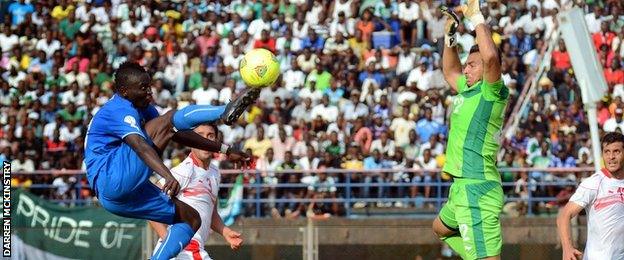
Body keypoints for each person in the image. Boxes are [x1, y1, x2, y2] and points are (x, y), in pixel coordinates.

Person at [84, 62, 258, 260]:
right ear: (124, 91)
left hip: (119, 197)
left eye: (149, 86)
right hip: (111, 178)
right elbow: (141, 145)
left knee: (191, 219)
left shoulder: (143, 108)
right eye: (143, 88)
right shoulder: (117, 110)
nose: (149, 92)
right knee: (168, 119)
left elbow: (174, 132)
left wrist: (224, 149)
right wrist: (167, 176)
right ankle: (224, 110)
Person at [432, 2, 508, 260]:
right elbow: (450, 70)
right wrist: (450, 35)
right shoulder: (468, 88)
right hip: (461, 187)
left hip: (476, 187)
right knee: (440, 228)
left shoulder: (491, 92)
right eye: (467, 65)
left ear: (486, 70)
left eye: (472, 65)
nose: (466, 69)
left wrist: (476, 17)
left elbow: (490, 57)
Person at [150, 123, 243, 259]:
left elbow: (211, 212)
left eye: (210, 136)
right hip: (186, 249)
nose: (205, 140)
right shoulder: (184, 170)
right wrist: (170, 242)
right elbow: (152, 201)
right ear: (190, 141)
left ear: (216, 142)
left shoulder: (215, 173)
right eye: (200, 136)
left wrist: (225, 232)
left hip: (193, 248)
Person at [557, 132, 624, 260]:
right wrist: (567, 248)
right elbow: (563, 216)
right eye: (607, 152)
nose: (611, 157)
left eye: (616, 151)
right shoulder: (593, 183)